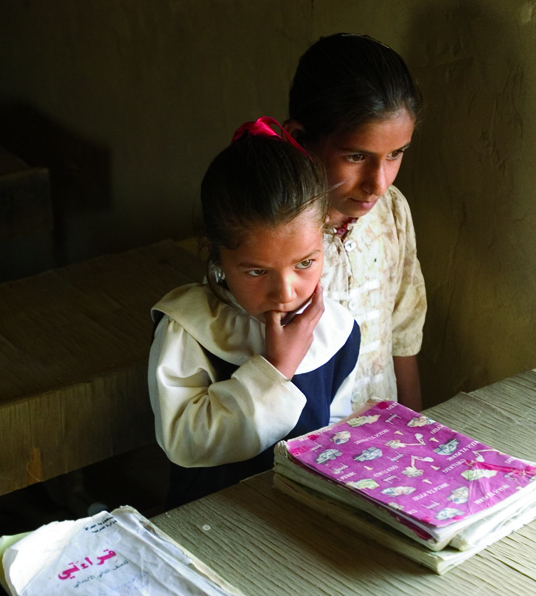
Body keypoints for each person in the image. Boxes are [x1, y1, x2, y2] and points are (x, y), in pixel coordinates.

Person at [148, 118, 361, 509]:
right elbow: (183, 441)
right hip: (210, 526)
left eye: (305, 263)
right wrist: (274, 370)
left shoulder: (338, 331)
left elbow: (334, 439)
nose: (285, 291)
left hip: (304, 526)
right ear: (217, 257)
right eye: (257, 271)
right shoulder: (188, 329)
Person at [284, 33, 426, 413]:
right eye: (356, 156)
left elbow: (403, 330)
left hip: (388, 448)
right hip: (304, 449)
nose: (378, 183)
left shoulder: (391, 211)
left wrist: (415, 428)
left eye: (395, 154)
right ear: (299, 139)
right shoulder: (274, 232)